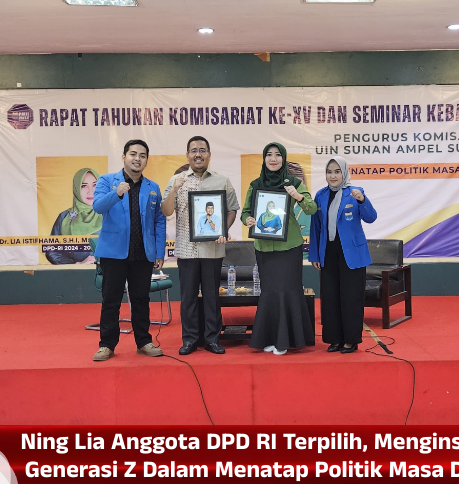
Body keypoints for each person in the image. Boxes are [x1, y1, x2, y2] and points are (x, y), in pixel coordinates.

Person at [162, 136, 239, 355]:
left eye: (203, 150)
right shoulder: (176, 179)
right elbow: (166, 211)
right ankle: (189, 340)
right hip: (186, 250)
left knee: (211, 296)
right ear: (187, 155)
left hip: (212, 250)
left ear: (209, 155)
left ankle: (212, 339)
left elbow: (232, 209)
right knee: (188, 297)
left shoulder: (222, 180)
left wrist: (223, 229)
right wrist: (174, 190)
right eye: (194, 150)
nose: (198, 154)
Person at [91, 139, 166, 361]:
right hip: (113, 252)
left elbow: (159, 221)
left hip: (143, 252)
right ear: (124, 157)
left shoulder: (152, 187)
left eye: (142, 155)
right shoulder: (107, 181)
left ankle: (144, 341)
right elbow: (97, 207)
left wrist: (159, 252)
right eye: (133, 154)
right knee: (111, 299)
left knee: (141, 298)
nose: (137, 159)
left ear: (146, 160)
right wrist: (116, 193)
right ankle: (106, 345)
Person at [242, 142, 317, 355]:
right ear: (264, 158)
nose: (273, 159)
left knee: (288, 291)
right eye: (269, 155)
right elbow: (245, 212)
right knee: (270, 293)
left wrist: (298, 196)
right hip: (264, 247)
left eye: (277, 155)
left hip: (289, 246)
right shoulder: (255, 184)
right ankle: (270, 337)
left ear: (283, 158)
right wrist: (248, 220)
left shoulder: (293, 182)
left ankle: (286, 341)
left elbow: (311, 209)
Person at [309, 156, 377, 354]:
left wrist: (362, 200)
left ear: (344, 173)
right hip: (328, 252)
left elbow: (371, 217)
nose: (333, 176)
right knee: (330, 297)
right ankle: (335, 339)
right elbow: (316, 227)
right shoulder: (320, 195)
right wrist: (314, 255)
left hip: (352, 254)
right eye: (329, 172)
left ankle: (350, 340)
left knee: (351, 297)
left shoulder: (355, 192)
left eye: (337, 172)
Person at [45, 168, 102, 265]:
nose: (90, 191)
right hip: (76, 273)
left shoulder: (111, 214)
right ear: (76, 188)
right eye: (84, 186)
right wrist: (76, 264)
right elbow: (52, 251)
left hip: (108, 273)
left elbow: (123, 247)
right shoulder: (64, 217)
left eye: (95, 185)